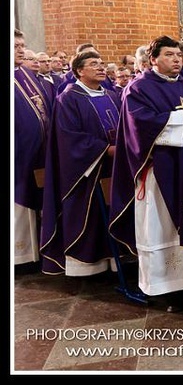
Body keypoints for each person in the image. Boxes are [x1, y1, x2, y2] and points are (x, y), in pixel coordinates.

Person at [109, 35, 183, 312]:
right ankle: (166, 288)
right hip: (162, 173)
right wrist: (179, 119)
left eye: (178, 55)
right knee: (164, 227)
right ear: (153, 60)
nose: (176, 60)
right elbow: (139, 124)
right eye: (169, 55)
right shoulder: (138, 88)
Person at [40, 51, 121, 276]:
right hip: (85, 170)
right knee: (90, 214)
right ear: (79, 71)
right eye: (93, 64)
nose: (101, 67)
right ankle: (88, 266)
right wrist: (105, 149)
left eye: (102, 63)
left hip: (113, 166)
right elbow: (69, 137)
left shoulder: (112, 94)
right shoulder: (68, 98)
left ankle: (115, 259)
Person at [14, 29, 52, 268]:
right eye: (15, 46)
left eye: (22, 45)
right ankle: (19, 258)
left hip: (35, 155)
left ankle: (33, 254)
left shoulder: (25, 75)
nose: (20, 49)